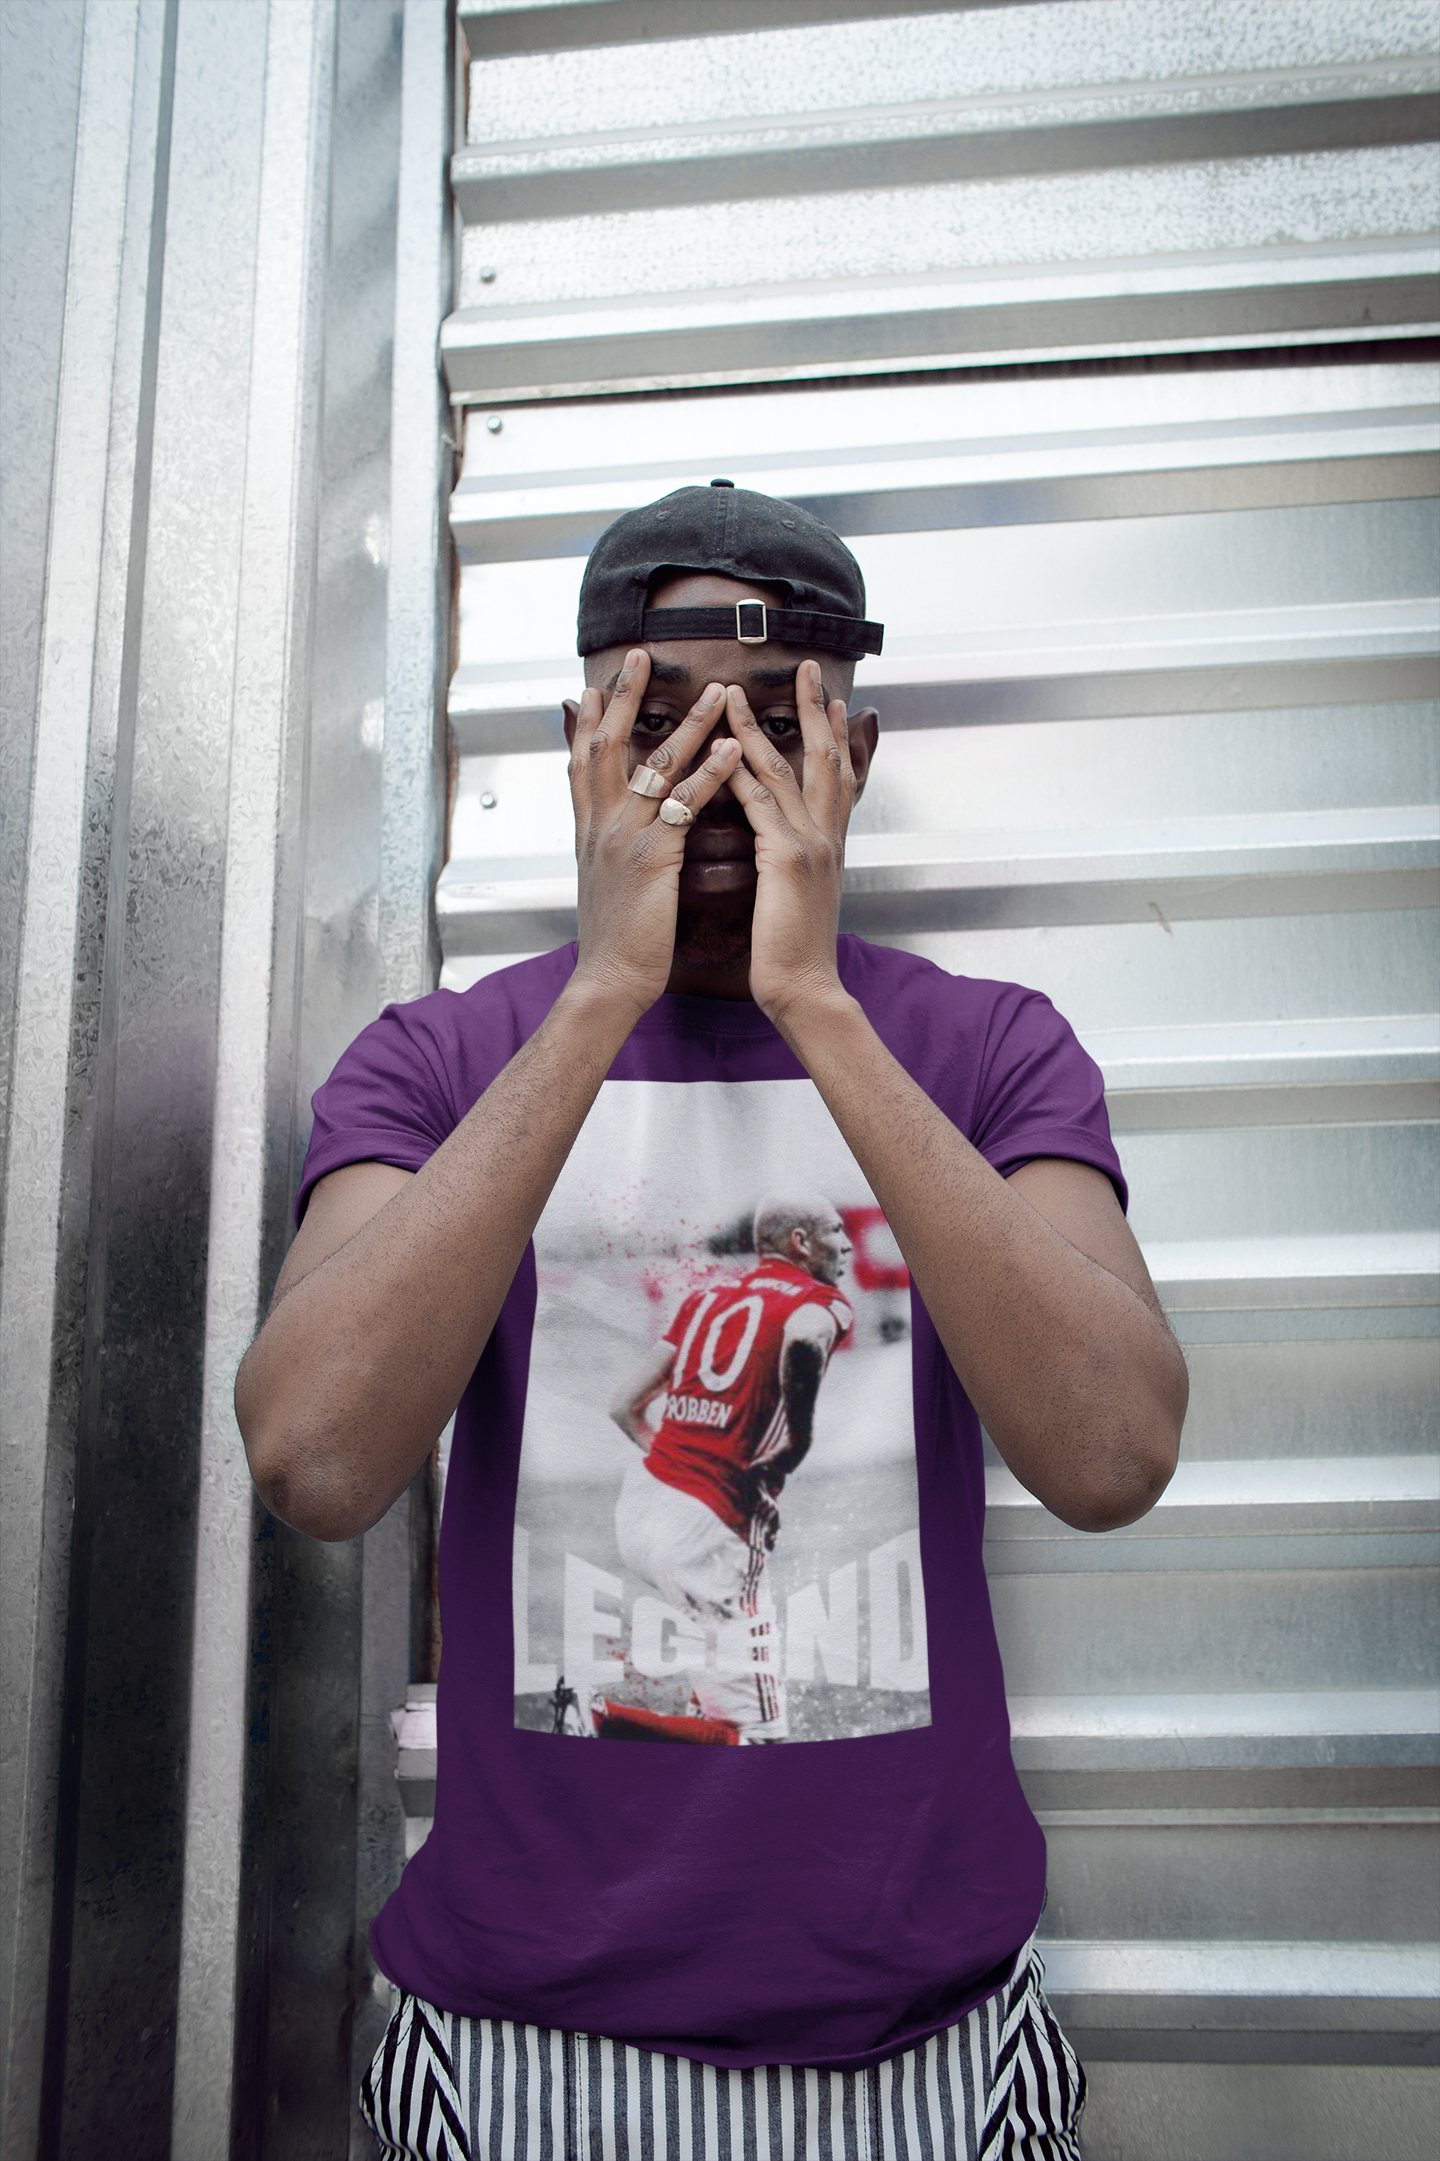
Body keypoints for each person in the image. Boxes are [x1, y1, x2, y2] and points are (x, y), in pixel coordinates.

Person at [236, 480, 1188, 2158]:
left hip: (920, 2042)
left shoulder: (987, 1052)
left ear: (855, 755)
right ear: (581, 748)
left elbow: (1112, 1454)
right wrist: (604, 987)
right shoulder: (441, 1064)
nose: (717, 773)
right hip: (524, 2041)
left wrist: (810, 1000)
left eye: (775, 727)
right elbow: (313, 1459)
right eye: (664, 722)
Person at [592, 1193, 854, 1745]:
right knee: (760, 1742)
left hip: (644, 1501)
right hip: (710, 1527)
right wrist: (797, 1441)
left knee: (716, 1705)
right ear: (800, 1242)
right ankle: (599, 1722)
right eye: (836, 1230)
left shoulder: (705, 1298)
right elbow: (806, 1336)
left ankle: (637, 1741)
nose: (848, 1244)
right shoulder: (823, 1301)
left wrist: (675, 1462)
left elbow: (622, 1405)